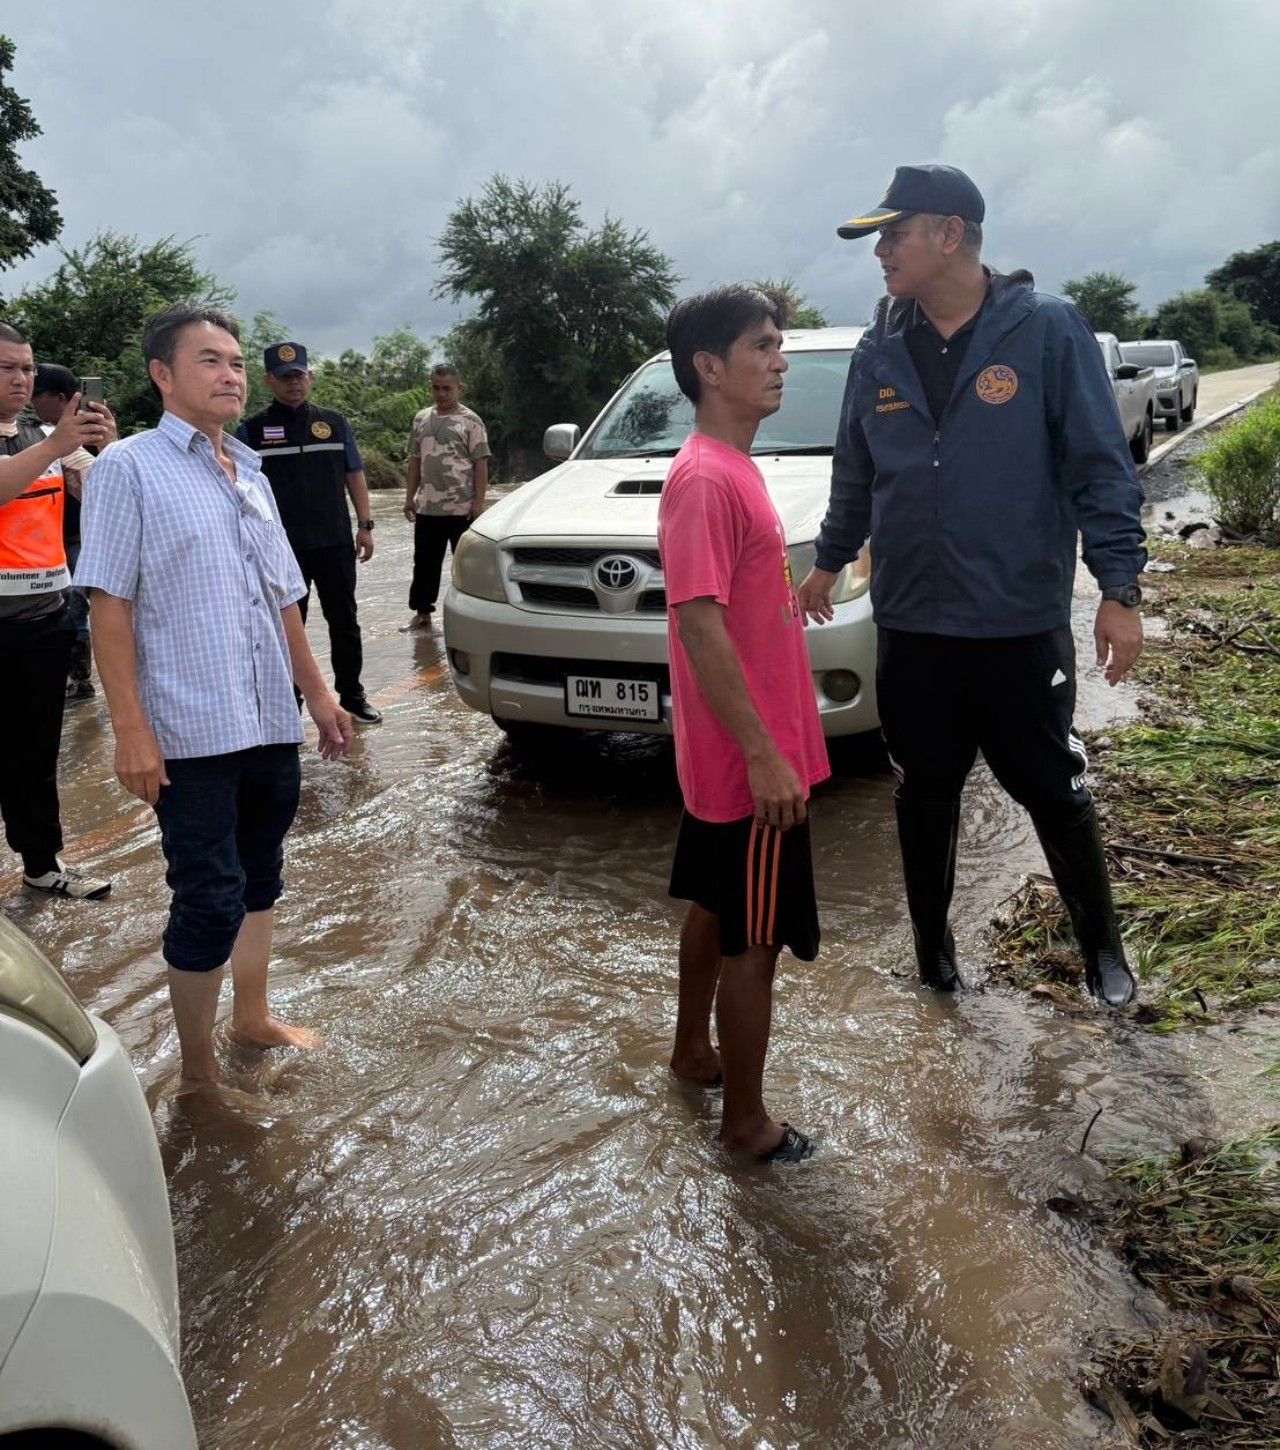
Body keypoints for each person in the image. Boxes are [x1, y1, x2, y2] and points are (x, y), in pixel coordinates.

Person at [798, 164, 1146, 1007]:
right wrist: (830, 556)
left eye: (894, 233)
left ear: (950, 234)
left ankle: (1103, 954)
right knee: (926, 792)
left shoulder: (1046, 331)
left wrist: (1120, 589)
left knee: (1053, 788)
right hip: (914, 623)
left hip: (1017, 622)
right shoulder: (879, 349)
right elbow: (856, 468)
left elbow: (1099, 465)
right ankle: (934, 958)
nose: (880, 250)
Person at [77, 304, 354, 1090]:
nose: (230, 374)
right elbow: (110, 605)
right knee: (207, 897)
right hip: (189, 731)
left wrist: (321, 696)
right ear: (162, 375)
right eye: (209, 361)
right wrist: (131, 730)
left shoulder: (254, 473)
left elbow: (283, 601)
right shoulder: (128, 469)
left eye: (235, 362)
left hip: (268, 717)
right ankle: (198, 1075)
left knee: (261, 874)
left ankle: (252, 1017)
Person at [659, 285, 830, 1163]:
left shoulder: (733, 467)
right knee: (754, 945)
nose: (779, 361)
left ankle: (694, 1054)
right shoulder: (702, 478)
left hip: (733, 757)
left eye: (779, 344)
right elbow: (695, 621)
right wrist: (767, 755)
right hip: (749, 765)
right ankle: (748, 1126)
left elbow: (730, 610)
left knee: (718, 908)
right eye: (762, 346)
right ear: (710, 366)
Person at [0, 324, 113, 898]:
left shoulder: (43, 436)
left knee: (34, 753)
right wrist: (54, 447)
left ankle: (41, 866)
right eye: (7, 368)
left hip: (44, 621)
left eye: (28, 368)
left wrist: (107, 449)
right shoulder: (46, 443)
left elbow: (111, 496)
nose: (22, 379)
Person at [237, 343, 382, 725]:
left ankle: (352, 696)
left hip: (334, 541)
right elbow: (237, 487)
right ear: (268, 381)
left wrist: (364, 526)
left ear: (310, 377)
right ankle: (290, 704)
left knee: (345, 620)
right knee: (286, 626)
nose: (294, 383)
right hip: (280, 548)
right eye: (285, 377)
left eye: (299, 375)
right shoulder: (251, 431)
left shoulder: (333, 423)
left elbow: (354, 474)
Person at [403, 363, 490, 630]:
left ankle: (472, 616)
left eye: (447, 389)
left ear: (459, 389)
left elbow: (481, 464)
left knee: (466, 566)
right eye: (436, 388)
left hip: (461, 509)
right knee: (425, 564)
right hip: (427, 508)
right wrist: (409, 498)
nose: (441, 394)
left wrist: (478, 504)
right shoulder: (421, 419)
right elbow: (415, 461)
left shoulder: (471, 421)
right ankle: (422, 614)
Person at [32, 363, 97, 701]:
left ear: (61, 398)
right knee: (69, 609)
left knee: (76, 609)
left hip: (83, 541)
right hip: (51, 545)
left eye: (38, 395)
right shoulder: (33, 439)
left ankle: (80, 678)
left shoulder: (95, 435)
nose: (33, 403)